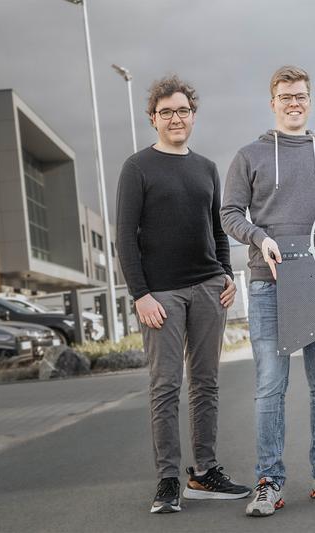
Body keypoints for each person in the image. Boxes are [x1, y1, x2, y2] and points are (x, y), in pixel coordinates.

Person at [221, 65, 315, 517]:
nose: (293, 102)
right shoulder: (249, 156)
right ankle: (270, 481)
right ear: (273, 102)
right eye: (285, 96)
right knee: (269, 386)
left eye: (300, 95)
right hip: (267, 285)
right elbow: (229, 214)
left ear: (309, 99)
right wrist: (261, 239)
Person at [116, 75, 250, 514]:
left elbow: (217, 228)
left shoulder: (207, 167)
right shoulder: (138, 167)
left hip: (209, 289)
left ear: (193, 116)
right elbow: (124, 238)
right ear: (153, 118)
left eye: (183, 111)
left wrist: (225, 273)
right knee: (165, 386)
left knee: (207, 383)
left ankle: (205, 472)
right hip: (162, 296)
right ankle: (169, 480)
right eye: (166, 112)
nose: (176, 118)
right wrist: (141, 294)